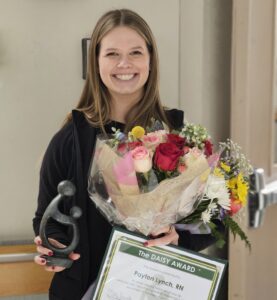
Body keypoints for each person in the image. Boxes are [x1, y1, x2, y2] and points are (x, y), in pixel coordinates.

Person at [33, 8, 224, 300]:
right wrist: (54, 246)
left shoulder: (179, 136)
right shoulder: (69, 139)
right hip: (83, 290)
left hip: (158, 289)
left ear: (150, 60)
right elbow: (46, 217)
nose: (125, 63)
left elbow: (216, 217)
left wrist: (180, 236)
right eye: (111, 54)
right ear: (96, 62)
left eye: (135, 52)